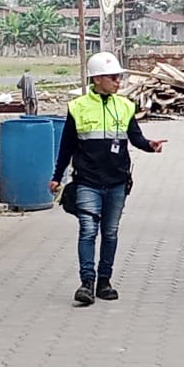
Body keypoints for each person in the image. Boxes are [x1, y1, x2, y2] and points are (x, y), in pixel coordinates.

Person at [49, 52, 167, 305]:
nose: (118, 82)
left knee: (110, 232)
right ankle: (87, 283)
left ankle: (105, 281)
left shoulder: (125, 106)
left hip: (117, 182)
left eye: (119, 77)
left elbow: (135, 137)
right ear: (97, 79)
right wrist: (56, 177)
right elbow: (67, 146)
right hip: (87, 181)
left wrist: (150, 145)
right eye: (113, 77)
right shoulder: (78, 107)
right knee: (88, 231)